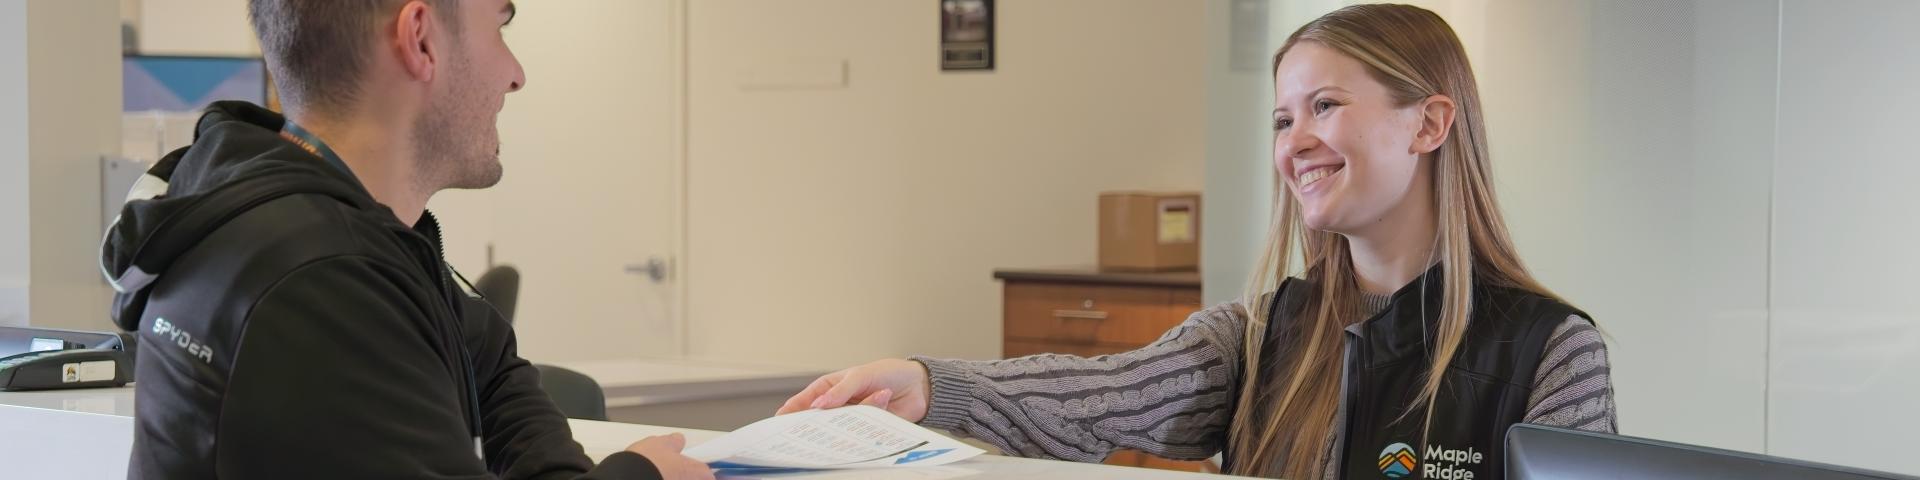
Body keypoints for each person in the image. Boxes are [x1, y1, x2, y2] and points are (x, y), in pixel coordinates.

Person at [777, 4, 1616, 480]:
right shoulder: (1254, 335)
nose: (1294, 143)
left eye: (1326, 106)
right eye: (1283, 119)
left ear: (1430, 123)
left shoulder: (1552, 352)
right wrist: (930, 384)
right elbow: (1100, 394)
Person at [99, 1, 710, 478]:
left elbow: (489, 361)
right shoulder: (317, 278)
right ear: (420, 39)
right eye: (500, 25)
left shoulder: (302, 220)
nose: (516, 74)